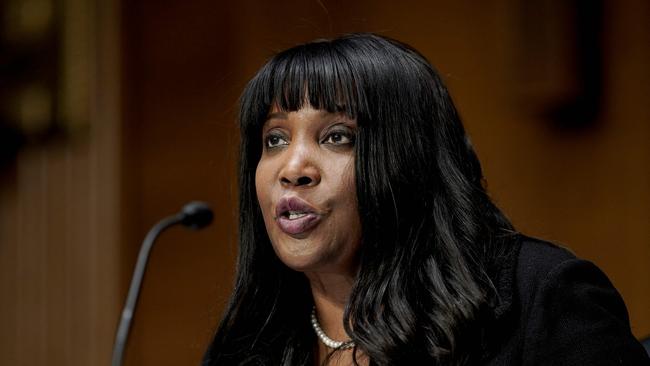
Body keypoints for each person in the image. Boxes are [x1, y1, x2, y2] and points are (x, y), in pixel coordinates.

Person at [202, 33, 650, 365]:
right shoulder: (248, 346)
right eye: (275, 139)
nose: (292, 169)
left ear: (410, 159)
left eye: (338, 137)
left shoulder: (536, 298)